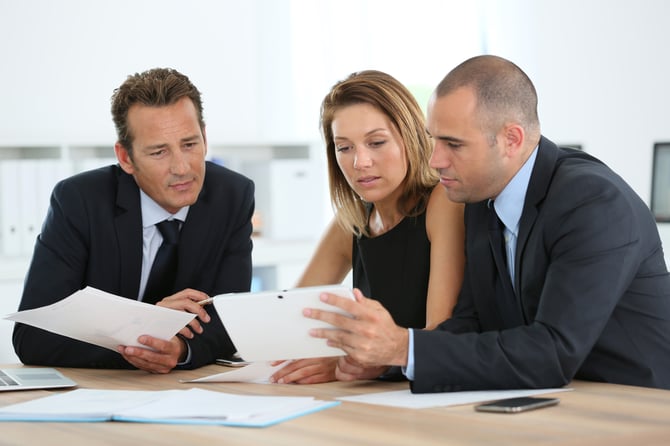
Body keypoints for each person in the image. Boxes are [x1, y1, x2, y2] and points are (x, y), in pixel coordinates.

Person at [303, 55, 670, 391]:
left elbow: (553, 351)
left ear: (512, 139)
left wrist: (402, 348)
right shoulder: (479, 197)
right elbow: (470, 323)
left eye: (453, 144)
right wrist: (387, 360)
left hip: (636, 403)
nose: (434, 161)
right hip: (559, 399)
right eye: (433, 140)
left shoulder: (591, 202)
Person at [12, 68, 255, 374]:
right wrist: (145, 326)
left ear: (205, 138)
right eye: (159, 152)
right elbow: (33, 338)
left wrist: (180, 350)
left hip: (184, 393)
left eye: (190, 144)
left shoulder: (232, 196)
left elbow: (234, 322)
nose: (182, 168)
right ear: (126, 158)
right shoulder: (79, 201)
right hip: (99, 394)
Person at [270, 70, 465, 384]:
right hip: (379, 398)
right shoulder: (354, 218)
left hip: (435, 396)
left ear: (411, 137)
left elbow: (438, 338)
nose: (360, 162)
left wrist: (348, 361)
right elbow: (292, 316)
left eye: (376, 142)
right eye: (344, 148)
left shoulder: (442, 203)